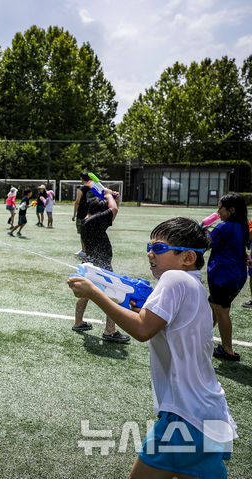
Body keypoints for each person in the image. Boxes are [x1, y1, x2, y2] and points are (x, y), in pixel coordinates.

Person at [68, 217, 237, 479]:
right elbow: (157, 324)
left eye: (158, 248)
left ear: (188, 257)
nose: (150, 253)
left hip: (185, 416)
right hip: (206, 412)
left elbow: (142, 330)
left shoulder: (173, 279)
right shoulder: (193, 285)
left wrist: (94, 292)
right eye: (149, 247)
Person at [70, 188, 130, 343]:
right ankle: (110, 331)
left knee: (85, 295)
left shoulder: (87, 220)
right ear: (99, 212)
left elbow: (112, 210)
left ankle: (78, 322)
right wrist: (109, 195)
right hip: (101, 266)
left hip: (91, 263)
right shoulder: (95, 221)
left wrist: (113, 199)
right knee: (113, 295)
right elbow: (113, 210)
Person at [207, 193, 249, 361]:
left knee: (221, 310)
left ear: (231, 210)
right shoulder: (242, 226)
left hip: (222, 276)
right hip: (237, 276)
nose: (217, 212)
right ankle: (202, 337)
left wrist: (202, 228)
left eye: (220, 208)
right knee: (213, 306)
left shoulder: (223, 227)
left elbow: (206, 243)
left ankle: (228, 349)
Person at [72, 172, 92, 259]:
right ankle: (90, 250)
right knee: (90, 233)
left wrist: (74, 214)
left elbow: (77, 202)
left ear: (82, 179)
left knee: (82, 233)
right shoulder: (93, 187)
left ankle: (84, 250)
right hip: (92, 213)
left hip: (82, 214)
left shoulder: (81, 189)